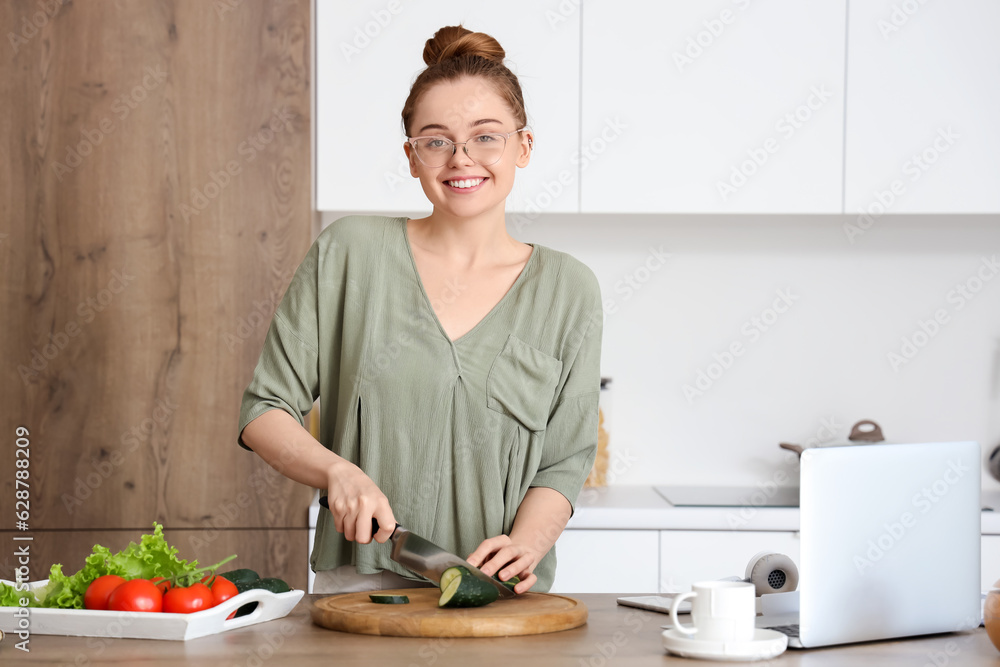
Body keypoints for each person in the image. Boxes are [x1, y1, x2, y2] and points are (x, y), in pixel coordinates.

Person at [238, 25, 603, 595]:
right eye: (436, 140)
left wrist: (526, 545)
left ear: (523, 147)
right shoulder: (350, 254)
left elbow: (564, 461)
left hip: (501, 595)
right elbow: (263, 411)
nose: (461, 159)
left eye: (487, 137)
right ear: (412, 157)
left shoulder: (569, 290)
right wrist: (338, 472)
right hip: (362, 591)